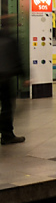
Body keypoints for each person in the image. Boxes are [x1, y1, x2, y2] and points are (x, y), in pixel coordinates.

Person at [0, 17, 25, 145]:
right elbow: (16, 59)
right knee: (7, 108)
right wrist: (23, 77)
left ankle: (7, 134)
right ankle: (7, 135)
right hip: (5, 79)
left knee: (6, 108)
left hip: (4, 77)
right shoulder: (10, 39)